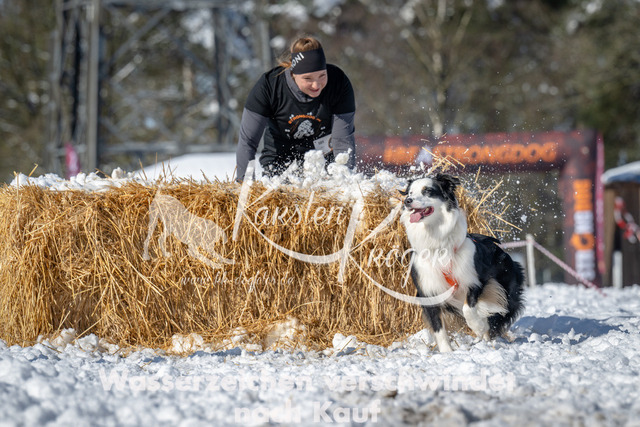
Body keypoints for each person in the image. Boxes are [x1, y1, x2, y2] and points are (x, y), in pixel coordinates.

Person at [235, 36, 356, 181]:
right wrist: (245, 184)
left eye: (322, 75)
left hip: (323, 158)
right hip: (280, 157)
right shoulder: (269, 87)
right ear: (294, 73)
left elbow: (342, 142)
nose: (316, 85)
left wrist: (344, 182)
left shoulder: (338, 83)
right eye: (308, 78)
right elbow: (248, 142)